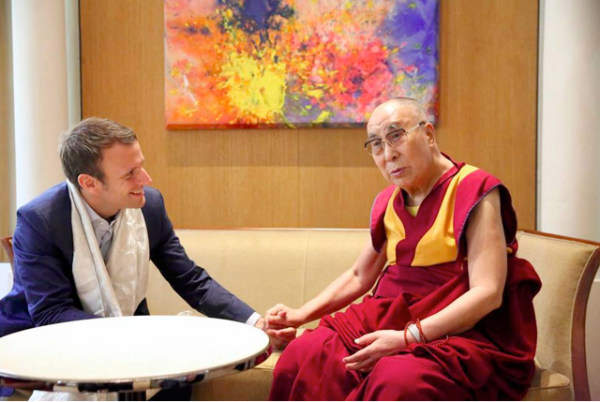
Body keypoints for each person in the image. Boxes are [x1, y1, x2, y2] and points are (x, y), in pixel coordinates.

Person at [266, 98, 541, 400]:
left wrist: (407, 338)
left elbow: (487, 292)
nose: (388, 153)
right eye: (376, 145)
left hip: (461, 331)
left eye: (396, 135)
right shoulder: (389, 201)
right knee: (304, 354)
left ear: (429, 134)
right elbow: (360, 275)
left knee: (398, 381)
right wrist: (300, 314)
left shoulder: (474, 190)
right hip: (391, 316)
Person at [0, 118, 292, 400]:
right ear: (89, 183)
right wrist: (133, 339)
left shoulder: (150, 205)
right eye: (130, 173)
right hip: (45, 345)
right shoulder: (40, 220)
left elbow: (189, 278)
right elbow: (51, 313)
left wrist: (256, 323)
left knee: (182, 371)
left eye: (141, 166)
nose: (146, 179)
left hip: (129, 335)